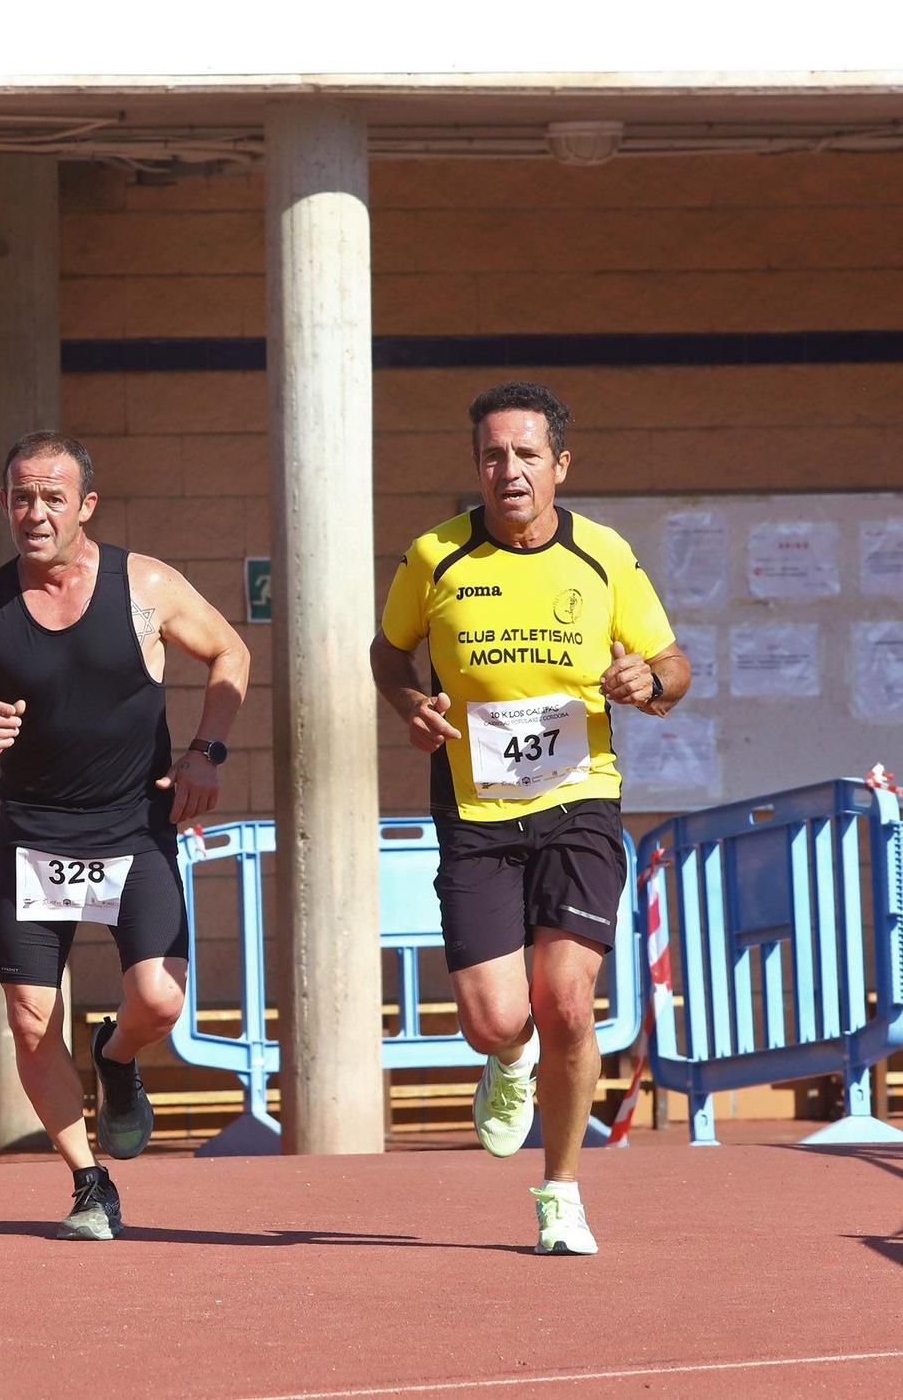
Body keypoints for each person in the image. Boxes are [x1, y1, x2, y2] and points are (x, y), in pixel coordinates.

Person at [370, 381, 690, 1257]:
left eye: (526, 454)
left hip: (579, 798)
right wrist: (410, 702)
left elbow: (671, 663)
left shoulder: (603, 554)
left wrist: (649, 685)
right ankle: (507, 1062)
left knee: (567, 1003)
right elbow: (387, 649)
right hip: (475, 811)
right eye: (492, 456)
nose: (508, 470)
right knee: (495, 1017)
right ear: (478, 465)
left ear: (560, 465)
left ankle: (561, 1190)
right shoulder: (435, 556)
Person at [0, 432, 250, 1240]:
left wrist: (205, 752)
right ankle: (88, 1180)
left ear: (85, 506)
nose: (34, 513)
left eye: (51, 497)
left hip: (133, 825)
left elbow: (229, 651)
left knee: (158, 997)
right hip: (36, 834)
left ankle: (115, 1057)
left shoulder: (144, 584)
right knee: (31, 1019)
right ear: (4, 503)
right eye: (20, 497)